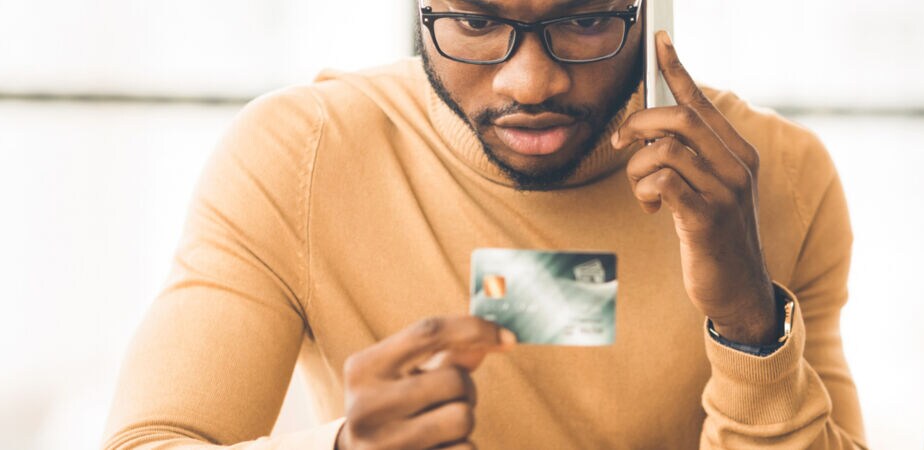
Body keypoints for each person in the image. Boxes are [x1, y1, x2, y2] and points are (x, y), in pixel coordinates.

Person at [103, 0, 866, 448]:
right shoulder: (301, 156)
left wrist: (748, 322)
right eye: (474, 19)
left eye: (586, 19)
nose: (531, 81)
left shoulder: (773, 177)